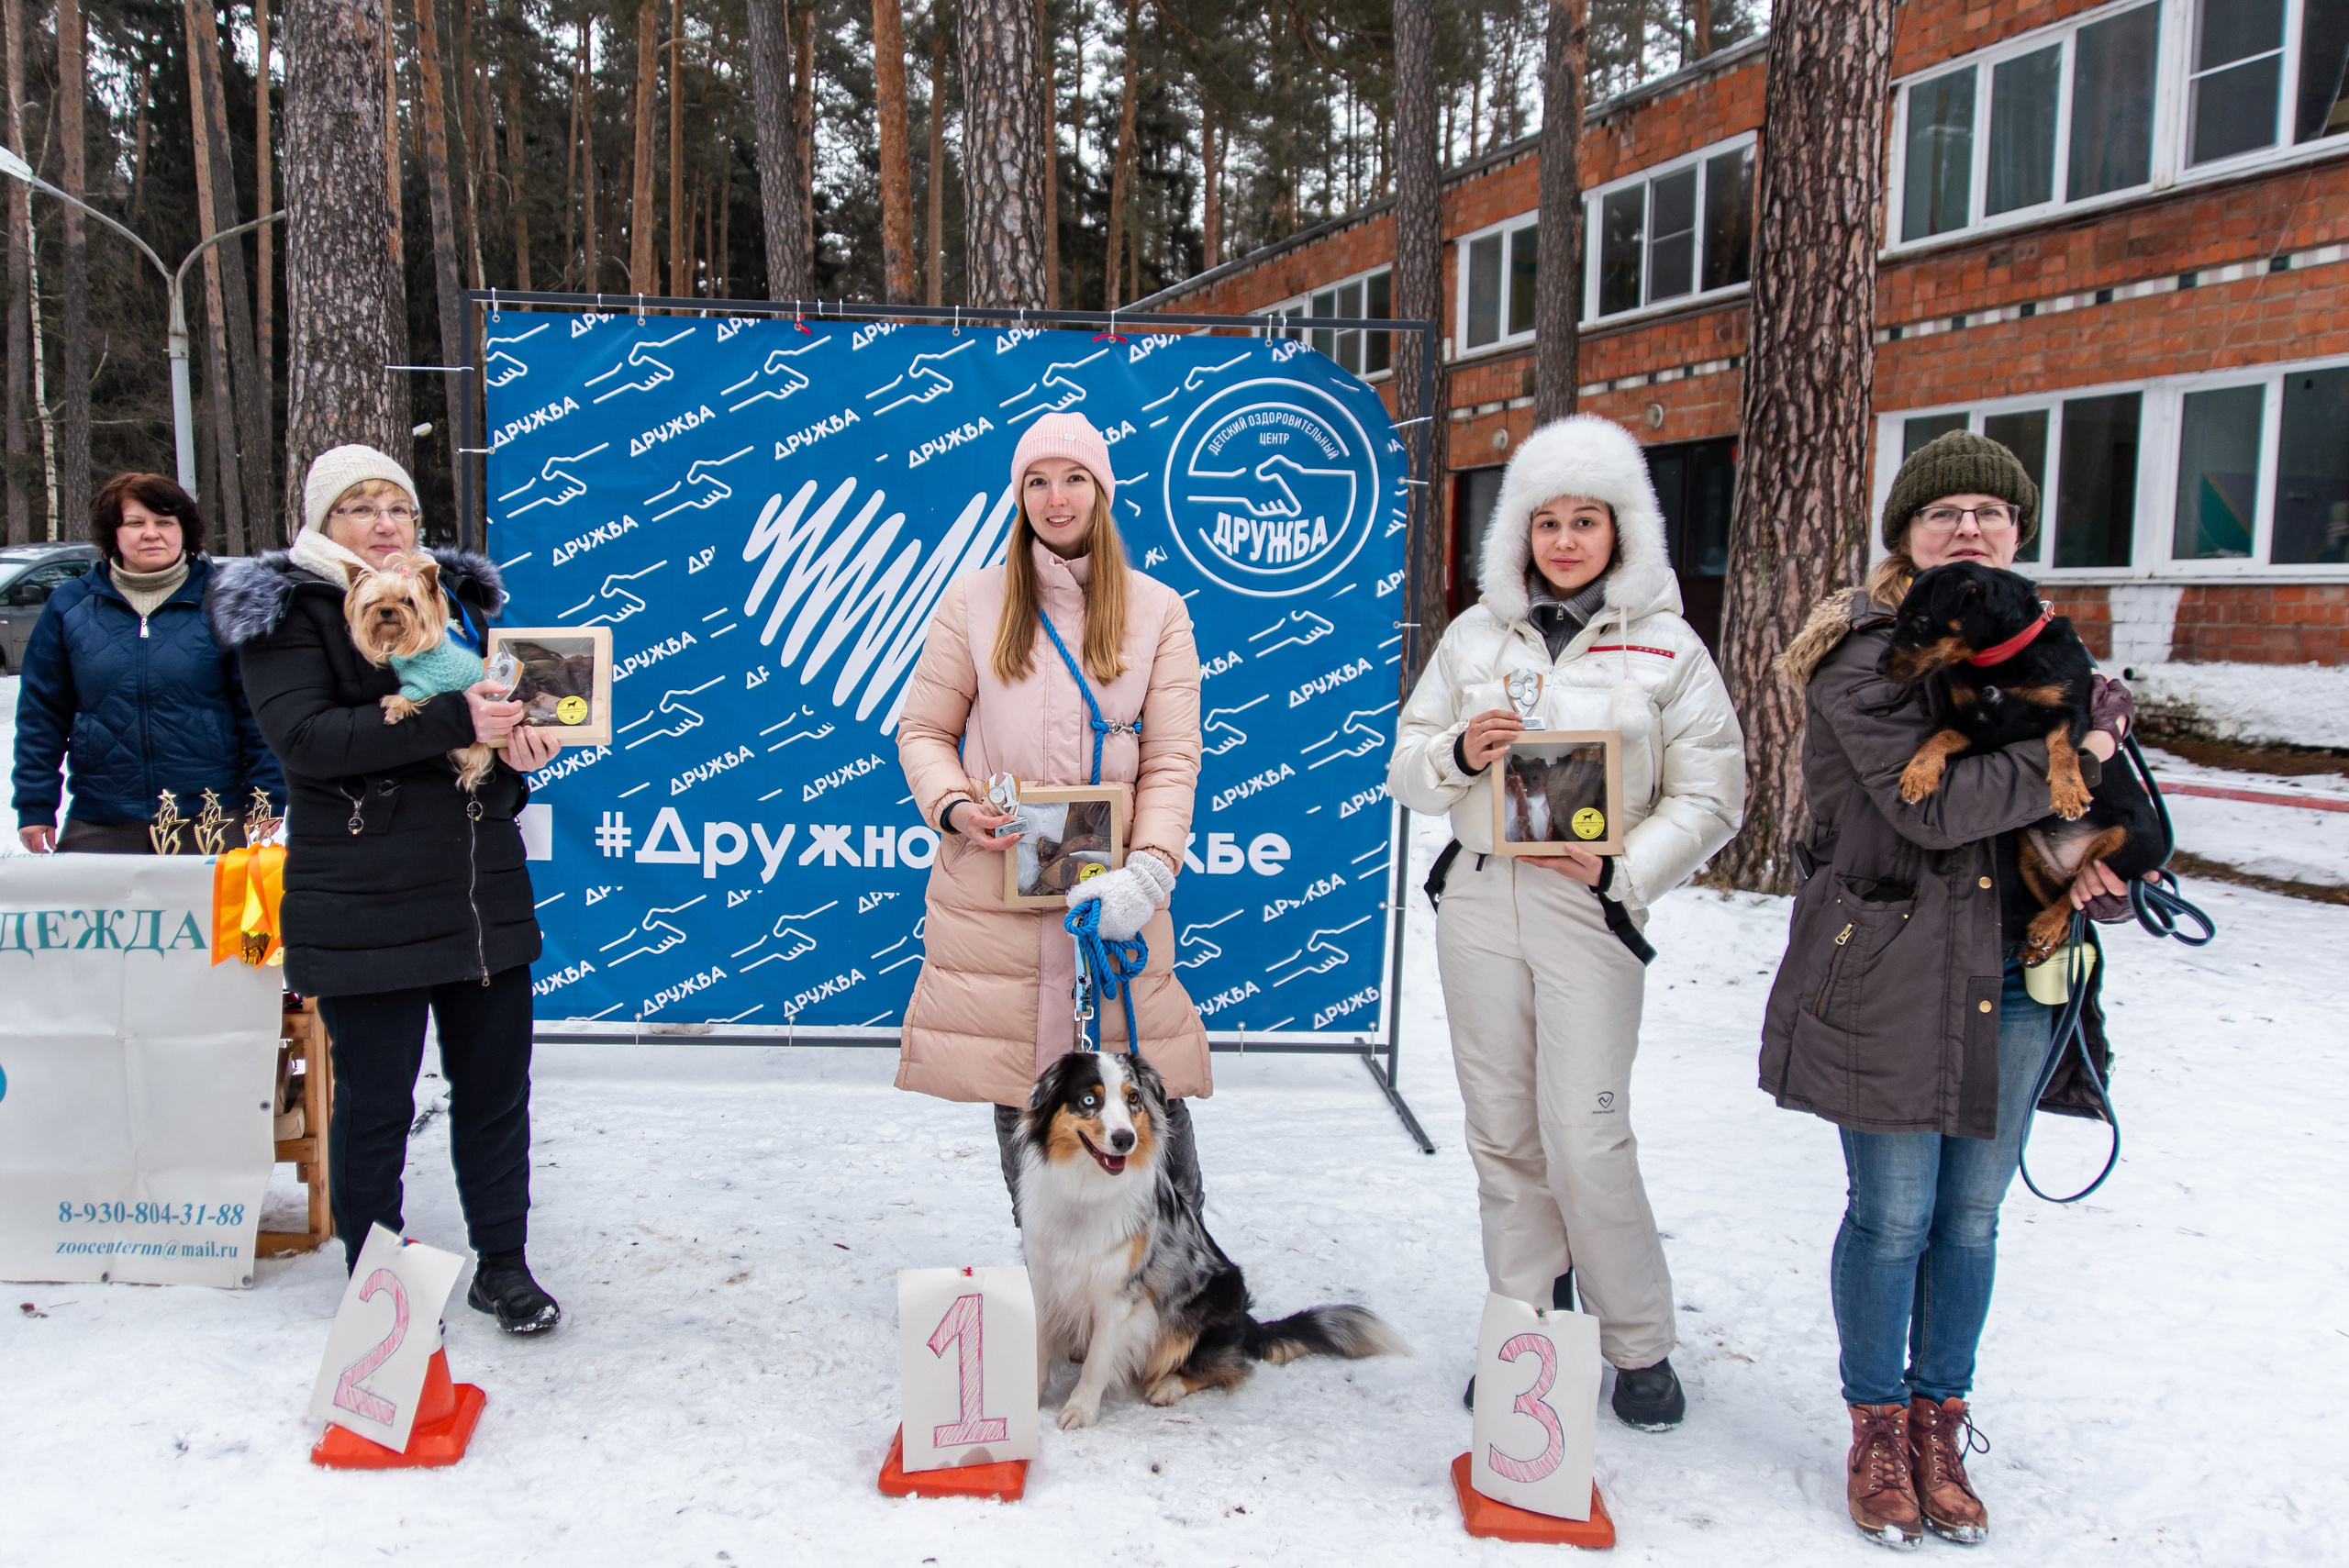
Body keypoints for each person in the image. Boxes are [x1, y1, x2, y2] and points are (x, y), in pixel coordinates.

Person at [1763, 429, 2139, 1546]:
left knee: (1972, 1217)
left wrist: (2103, 864)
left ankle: (1941, 1415)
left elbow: (2072, 816)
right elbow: (1928, 808)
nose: (1966, 525)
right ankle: (1877, 1421)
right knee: (1892, 1215)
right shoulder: (1864, 650)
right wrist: (2088, 749)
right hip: (1888, 970)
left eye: (1989, 510)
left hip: (2018, 970)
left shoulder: (2042, 656)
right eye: (1941, 513)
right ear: (1905, 538)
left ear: (2017, 535)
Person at [1389, 414, 1745, 1431]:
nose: (1565, 540)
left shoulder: (1667, 645)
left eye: (1585, 519)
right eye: (1546, 522)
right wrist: (1462, 748)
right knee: (1502, 1135)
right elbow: (1407, 769)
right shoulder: (1471, 637)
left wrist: (1623, 867)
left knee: (1585, 1134)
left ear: (1621, 529)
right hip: (1479, 896)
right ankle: (1529, 1324)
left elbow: (1714, 794)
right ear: (1519, 537)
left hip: (1588, 905)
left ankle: (1638, 1340)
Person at [206, 445, 566, 1333]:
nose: (382, 523)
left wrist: (517, 759)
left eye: (396, 507)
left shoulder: (448, 603)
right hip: (361, 899)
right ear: (323, 524)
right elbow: (308, 740)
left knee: (495, 1093)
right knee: (376, 1100)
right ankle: (379, 1272)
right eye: (358, 508)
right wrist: (457, 717)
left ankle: (504, 1265)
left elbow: (478, 750)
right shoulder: (287, 611)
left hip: (478, 893)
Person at [894, 412, 1210, 1217]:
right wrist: (955, 805)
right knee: (1025, 1103)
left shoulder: (1157, 609)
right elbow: (924, 730)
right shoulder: (974, 601)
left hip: (1117, 903)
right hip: (999, 894)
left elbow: (1173, 759)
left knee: (1145, 1101)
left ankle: (1177, 1305)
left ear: (1101, 493)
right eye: (1037, 481)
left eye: (1073, 479)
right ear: (1018, 495)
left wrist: (1150, 870)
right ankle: (1058, 1295)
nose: (1055, 497)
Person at [12, 474, 284, 853]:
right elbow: (42, 715)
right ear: (114, 533)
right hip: (102, 817)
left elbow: (259, 711)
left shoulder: (227, 600)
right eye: (136, 523)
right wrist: (35, 802)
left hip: (210, 817)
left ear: (185, 531)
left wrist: (267, 796)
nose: (151, 533)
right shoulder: (69, 606)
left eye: (165, 522)